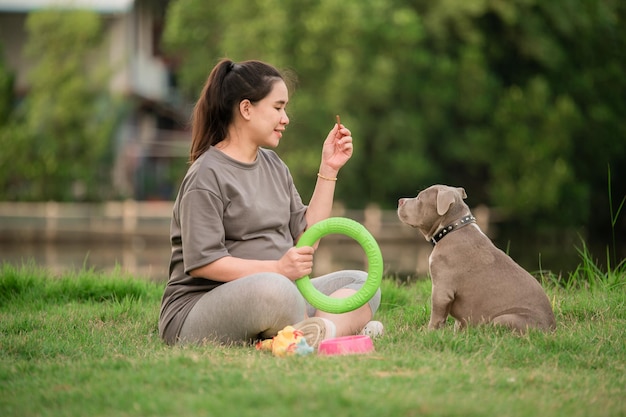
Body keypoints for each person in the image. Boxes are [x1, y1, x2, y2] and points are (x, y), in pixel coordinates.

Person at [158, 58, 382, 347]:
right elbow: (204, 263)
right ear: (246, 108)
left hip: (281, 290)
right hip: (199, 309)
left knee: (363, 283)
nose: (285, 118)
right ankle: (331, 331)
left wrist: (329, 169)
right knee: (277, 290)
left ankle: (318, 333)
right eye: (278, 107)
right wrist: (277, 269)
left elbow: (307, 241)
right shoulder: (206, 175)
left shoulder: (273, 164)